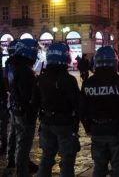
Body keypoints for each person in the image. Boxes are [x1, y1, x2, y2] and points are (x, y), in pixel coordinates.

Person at [80, 46, 119, 177]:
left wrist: (87, 127)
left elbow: (82, 108)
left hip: (97, 131)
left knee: (99, 167)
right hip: (117, 132)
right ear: (115, 62)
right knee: (118, 169)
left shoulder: (88, 83)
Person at [37, 43, 81, 177]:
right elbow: (77, 103)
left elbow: (36, 100)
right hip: (64, 123)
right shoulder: (68, 79)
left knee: (46, 156)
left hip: (46, 121)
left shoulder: (41, 78)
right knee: (67, 158)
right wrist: (76, 122)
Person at [9, 38, 40, 176]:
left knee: (20, 142)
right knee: (24, 145)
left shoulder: (15, 66)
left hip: (16, 110)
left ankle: (22, 167)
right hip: (25, 113)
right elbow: (27, 95)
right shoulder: (24, 71)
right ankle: (22, 172)